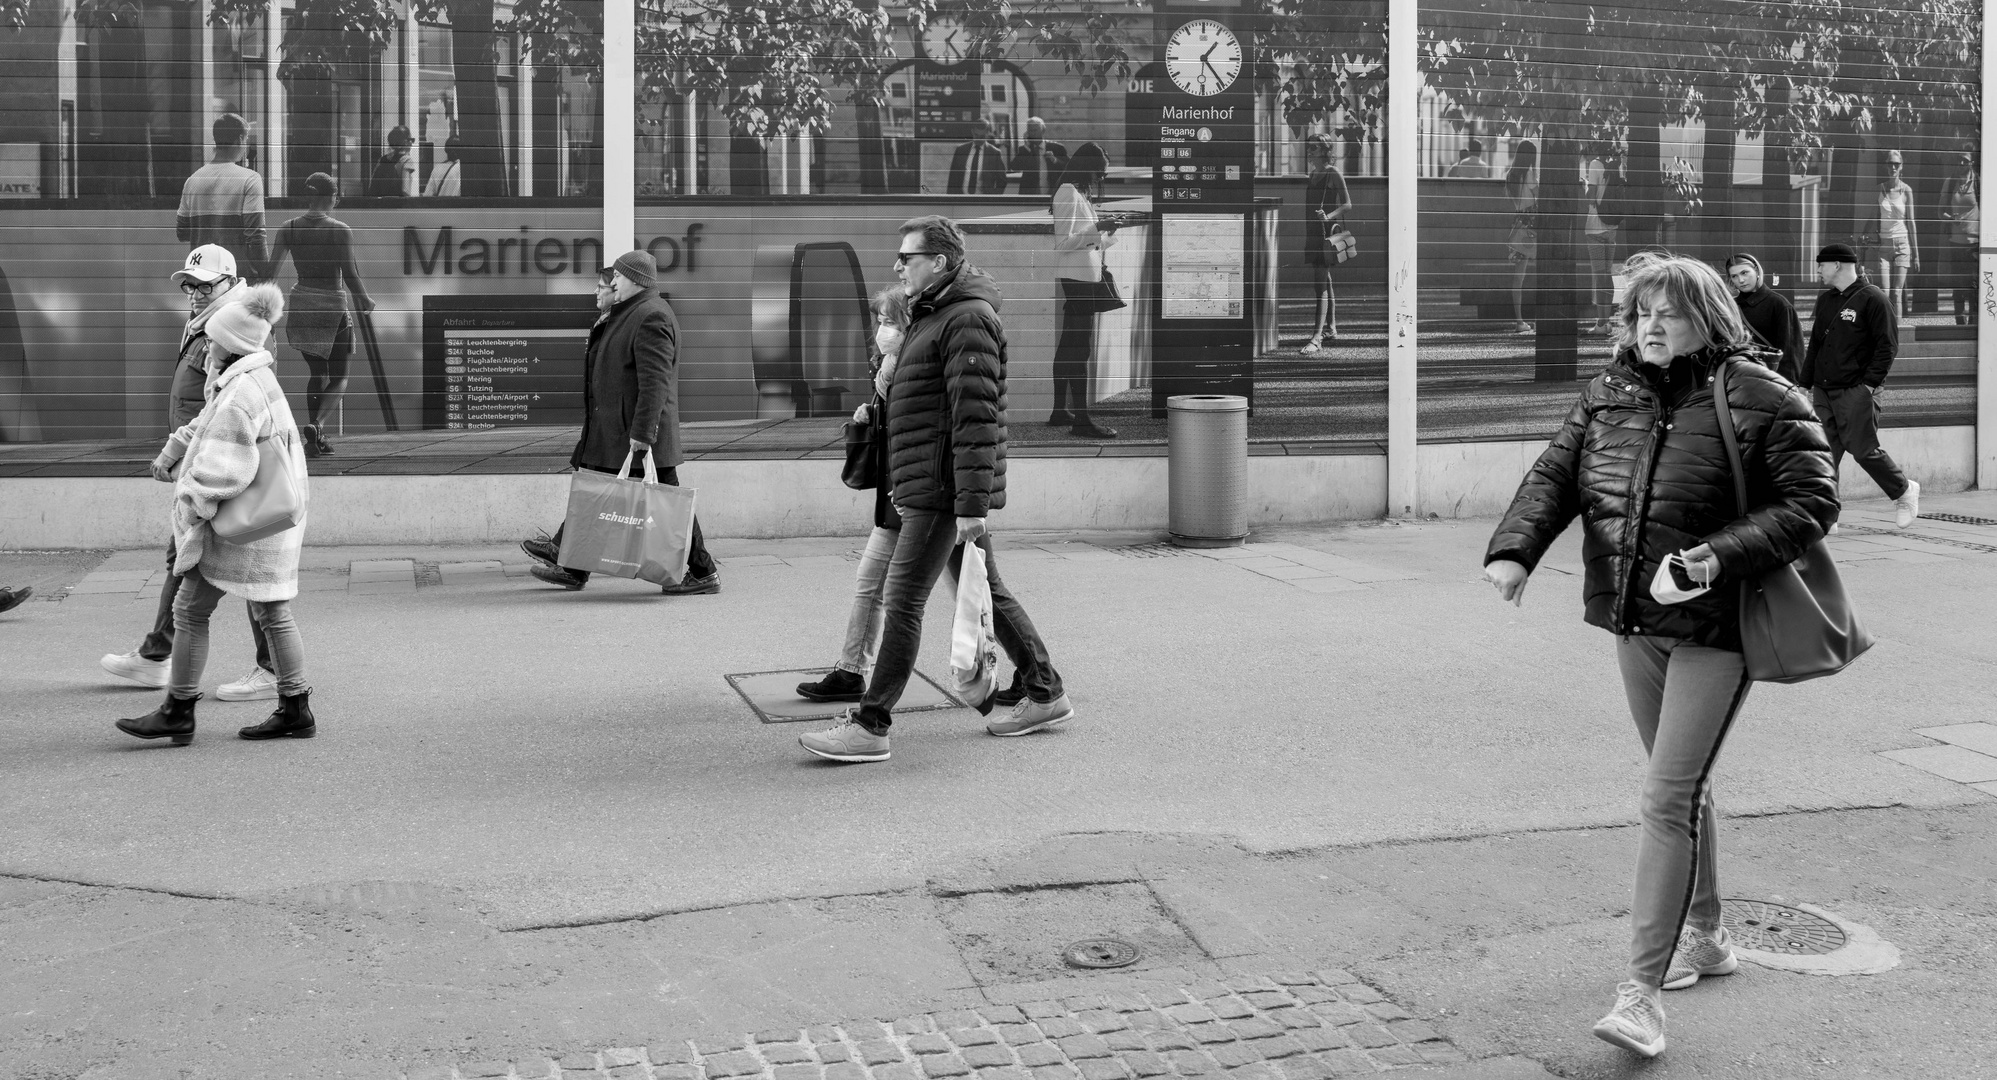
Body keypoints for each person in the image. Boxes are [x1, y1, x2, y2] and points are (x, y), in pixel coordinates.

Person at [1483, 252, 1837, 1060]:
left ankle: (1639, 994)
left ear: (1705, 318)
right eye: (1639, 311)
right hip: (1633, 617)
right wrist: (1514, 551)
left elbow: (1811, 501)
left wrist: (1714, 556)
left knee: (1664, 794)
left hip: (1717, 624)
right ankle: (1705, 935)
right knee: (1680, 790)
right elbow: (1555, 475)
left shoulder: (1761, 394)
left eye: (1667, 313)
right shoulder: (1609, 392)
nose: (1648, 326)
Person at [797, 215, 1072, 763]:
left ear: (939, 263)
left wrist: (970, 505)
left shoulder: (967, 319)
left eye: (908, 257)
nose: (898, 265)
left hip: (942, 488)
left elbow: (976, 419)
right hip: (928, 480)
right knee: (989, 590)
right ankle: (1045, 691)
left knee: (902, 602)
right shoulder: (934, 314)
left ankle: (871, 725)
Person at [118, 284, 318, 745]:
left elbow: (223, 471)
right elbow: (206, 422)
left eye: (213, 338)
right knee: (273, 611)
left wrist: (191, 509)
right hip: (270, 520)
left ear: (231, 343)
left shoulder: (238, 392)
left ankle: (178, 711)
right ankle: (295, 707)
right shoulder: (251, 380)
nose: (207, 344)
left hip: (239, 525)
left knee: (189, 609)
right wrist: (173, 449)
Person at [99, 246, 278, 704]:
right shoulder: (209, 324)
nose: (193, 294)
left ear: (228, 283)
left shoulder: (234, 328)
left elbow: (226, 406)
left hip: (222, 466)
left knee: (242, 571)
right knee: (219, 566)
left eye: (203, 285)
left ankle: (175, 667)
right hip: (208, 461)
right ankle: (162, 657)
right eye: (188, 285)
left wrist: (189, 458)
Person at [521, 251, 720, 595]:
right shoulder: (632, 313)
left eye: (619, 277)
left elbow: (654, 382)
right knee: (601, 491)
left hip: (637, 434)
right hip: (619, 430)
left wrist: (642, 435)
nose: (613, 282)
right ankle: (571, 565)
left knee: (667, 504)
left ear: (637, 280)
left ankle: (702, 571)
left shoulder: (651, 316)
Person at [793, 286, 912, 704]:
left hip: (916, 499)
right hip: (904, 496)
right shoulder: (889, 371)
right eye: (879, 322)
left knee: (981, 591)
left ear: (908, 325)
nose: (881, 330)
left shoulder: (913, 369)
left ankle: (1035, 672)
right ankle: (851, 672)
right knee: (872, 586)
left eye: (889, 322)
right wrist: (871, 415)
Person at [1802, 243, 1920, 529]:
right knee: (1824, 454)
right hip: (1823, 389)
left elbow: (1888, 346)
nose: (1818, 270)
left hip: (1856, 389)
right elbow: (1816, 344)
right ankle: (1827, 516)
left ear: (1838, 265)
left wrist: (1868, 385)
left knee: (1863, 448)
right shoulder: (1826, 299)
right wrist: (1804, 384)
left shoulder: (1874, 298)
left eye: (1821, 265)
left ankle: (1904, 490)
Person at [267, 172, 376, 458]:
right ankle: (317, 424)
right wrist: (363, 298)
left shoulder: (288, 228)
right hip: (332, 308)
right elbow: (349, 274)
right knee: (340, 376)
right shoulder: (340, 229)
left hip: (302, 305)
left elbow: (270, 274)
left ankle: (315, 442)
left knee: (317, 373)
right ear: (332, 197)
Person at [1047, 142, 1120, 439]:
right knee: (1080, 348)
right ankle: (1081, 420)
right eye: (1099, 172)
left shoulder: (1078, 192)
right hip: (1077, 280)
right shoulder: (1068, 193)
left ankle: (1059, 411)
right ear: (1086, 165)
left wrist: (1106, 231)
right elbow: (1063, 244)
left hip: (1082, 277)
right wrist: (1096, 227)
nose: (1101, 178)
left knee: (1069, 345)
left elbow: (1086, 241)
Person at [176, 113, 267, 279]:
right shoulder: (250, 179)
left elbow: (182, 232)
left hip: (201, 278)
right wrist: (266, 278)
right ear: (240, 139)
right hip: (237, 278)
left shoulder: (193, 180)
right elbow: (255, 236)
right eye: (245, 140)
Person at [1301, 134, 1353, 353]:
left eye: (1314, 147)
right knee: (1326, 279)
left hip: (1324, 233)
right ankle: (1331, 328)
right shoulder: (1313, 175)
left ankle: (1316, 338)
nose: (1310, 151)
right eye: (1309, 147)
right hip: (1313, 233)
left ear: (1324, 150)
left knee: (1320, 285)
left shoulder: (1333, 173)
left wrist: (1329, 215)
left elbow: (1348, 204)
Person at [1723, 253, 1802, 383]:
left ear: (1757, 271)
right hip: (1738, 378)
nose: (1741, 280)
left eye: (1744, 273)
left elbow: (1790, 352)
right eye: (1734, 276)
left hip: (1770, 379)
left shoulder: (1778, 304)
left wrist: (1789, 384)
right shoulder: (1730, 306)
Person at [1869, 149, 1919, 320]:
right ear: (1886, 166)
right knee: (1884, 292)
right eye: (1890, 163)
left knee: (1896, 293)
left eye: (1896, 164)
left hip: (1902, 244)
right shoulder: (1879, 189)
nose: (1893, 167)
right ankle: (1885, 332)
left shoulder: (1907, 191)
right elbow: (1872, 216)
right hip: (1884, 245)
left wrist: (1916, 254)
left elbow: (1911, 222)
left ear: (1901, 166)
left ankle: (1896, 335)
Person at [1581, 155, 1620, 336]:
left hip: (1595, 227)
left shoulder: (1596, 164)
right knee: (1607, 273)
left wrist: (1585, 186)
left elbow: (1591, 197)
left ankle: (1601, 323)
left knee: (1599, 276)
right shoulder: (1617, 165)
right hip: (1612, 226)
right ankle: (1605, 321)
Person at [1504, 140, 1540, 335]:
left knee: (1518, 277)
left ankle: (1519, 320)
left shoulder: (1511, 175)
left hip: (1517, 225)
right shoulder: (1529, 174)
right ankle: (1531, 320)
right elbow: (1539, 195)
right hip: (1531, 225)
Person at [1944, 145, 1979, 325]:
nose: (1961, 163)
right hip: (1956, 241)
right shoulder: (1951, 182)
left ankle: (1973, 321)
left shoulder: (1979, 183)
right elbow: (1940, 211)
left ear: (1971, 163)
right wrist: (1951, 218)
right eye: (1959, 160)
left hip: (1974, 242)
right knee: (1958, 283)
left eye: (1964, 161)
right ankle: (1959, 320)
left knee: (1973, 283)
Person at [1009, 116, 1068, 197]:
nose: (1033, 133)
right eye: (1030, 131)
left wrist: (1054, 160)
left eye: (1035, 130)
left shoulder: (1057, 148)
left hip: (1053, 194)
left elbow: (1068, 167)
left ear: (1043, 130)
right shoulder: (1025, 150)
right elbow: (1015, 167)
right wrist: (1027, 148)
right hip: (1030, 196)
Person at [947, 119, 1009, 195]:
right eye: (976, 135)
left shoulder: (994, 153)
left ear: (987, 133)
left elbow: (1002, 181)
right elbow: (952, 178)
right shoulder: (961, 150)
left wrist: (992, 198)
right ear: (972, 131)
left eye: (982, 136)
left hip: (983, 202)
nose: (978, 139)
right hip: (961, 200)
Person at [369, 125, 416, 197]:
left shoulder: (382, 160)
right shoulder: (406, 160)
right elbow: (405, 190)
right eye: (412, 140)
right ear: (406, 142)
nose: (412, 143)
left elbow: (372, 187)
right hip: (397, 206)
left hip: (381, 205)